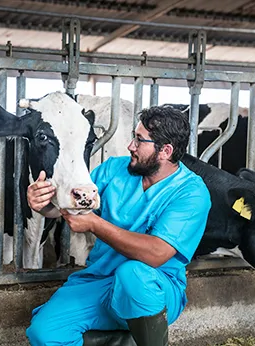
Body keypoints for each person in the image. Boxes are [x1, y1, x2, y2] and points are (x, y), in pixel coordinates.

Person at [25, 106, 211, 346]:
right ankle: (127, 341)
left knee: (133, 274)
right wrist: (42, 204)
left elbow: (156, 254)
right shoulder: (115, 169)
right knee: (44, 333)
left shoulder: (191, 193)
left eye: (139, 140)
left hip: (154, 290)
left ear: (165, 151)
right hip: (100, 281)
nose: (130, 146)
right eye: (134, 137)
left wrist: (95, 224)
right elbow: (76, 207)